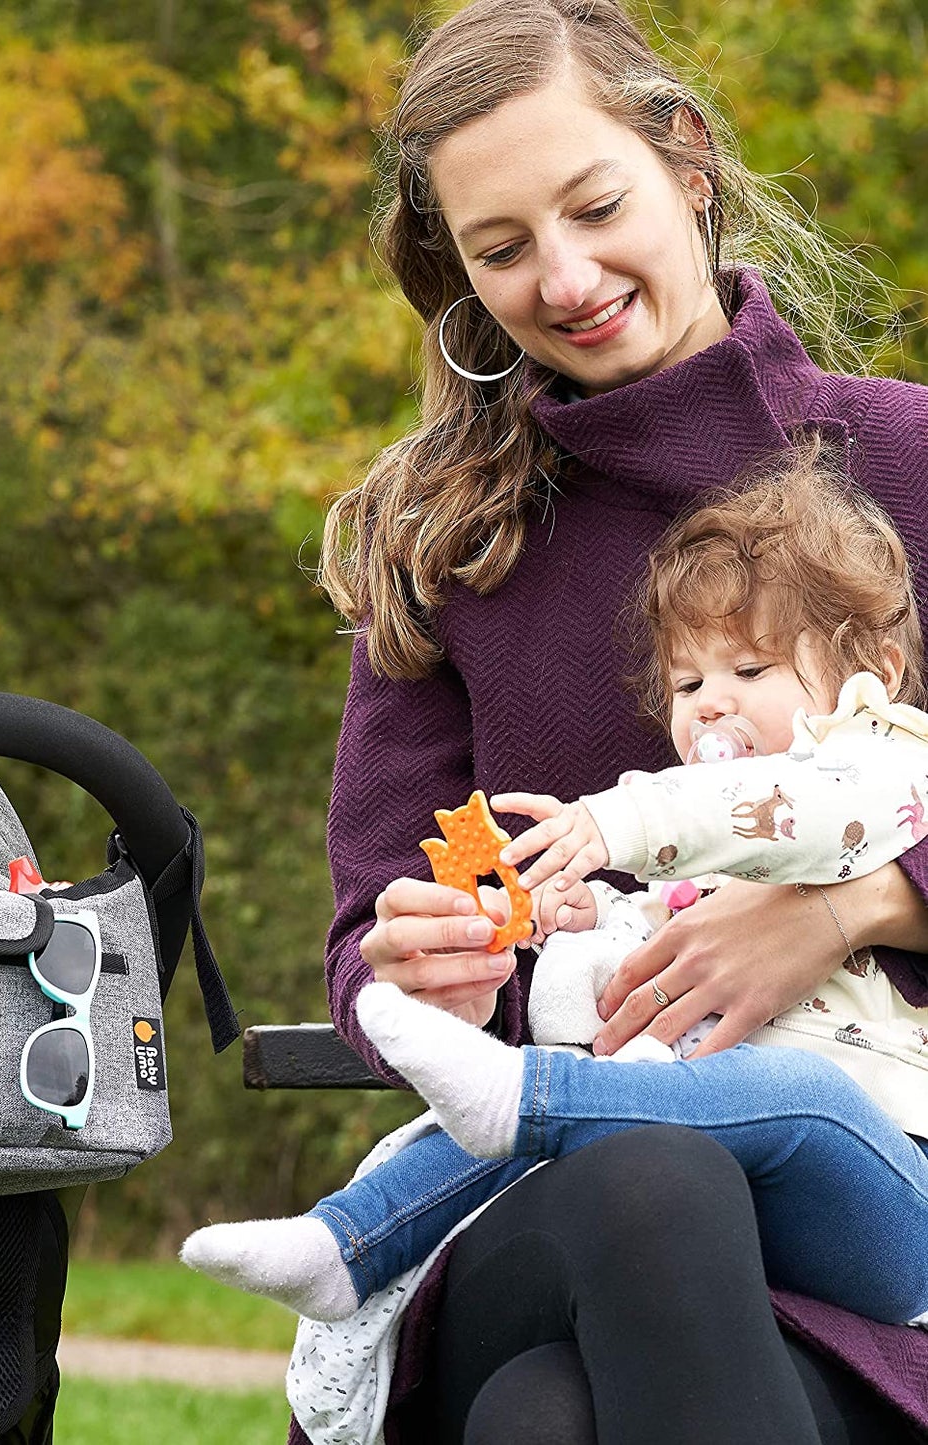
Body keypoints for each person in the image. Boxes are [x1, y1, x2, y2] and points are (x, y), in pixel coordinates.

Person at [272, 0, 928, 1439]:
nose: (563, 277)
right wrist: (429, 974)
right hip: (545, 1205)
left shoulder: (907, 460)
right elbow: (364, 947)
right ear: (456, 273)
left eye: (595, 206)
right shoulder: (447, 544)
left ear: (683, 160)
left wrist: (852, 907)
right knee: (654, 1180)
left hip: (882, 1226)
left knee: (545, 1422)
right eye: (502, 249)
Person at [183, 456, 928, 1335]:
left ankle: (519, 1099)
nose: (708, 707)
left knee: (792, 1091)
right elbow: (660, 940)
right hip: (710, 1195)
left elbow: (791, 814)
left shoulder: (882, 761)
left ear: (871, 666)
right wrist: (587, 922)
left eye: (750, 670)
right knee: (589, 1095)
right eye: (687, 685)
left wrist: (616, 820)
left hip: (889, 1195)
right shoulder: (709, 862)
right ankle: (344, 1245)